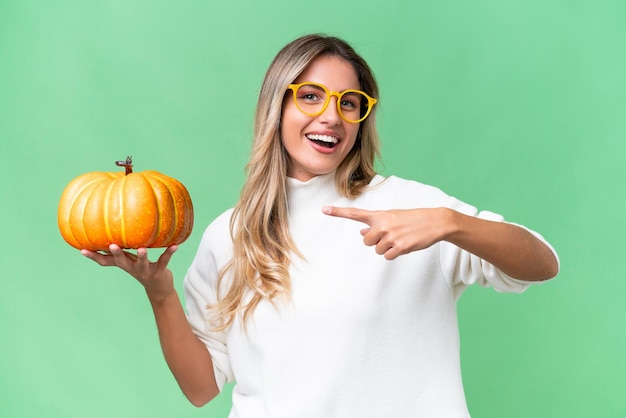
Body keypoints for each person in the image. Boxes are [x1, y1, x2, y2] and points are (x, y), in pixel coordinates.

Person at [82, 34, 559, 417]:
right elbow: (201, 387)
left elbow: (542, 263)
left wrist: (450, 224)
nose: (330, 116)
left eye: (349, 103)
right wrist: (160, 291)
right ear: (277, 107)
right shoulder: (229, 235)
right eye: (310, 97)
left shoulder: (410, 207)